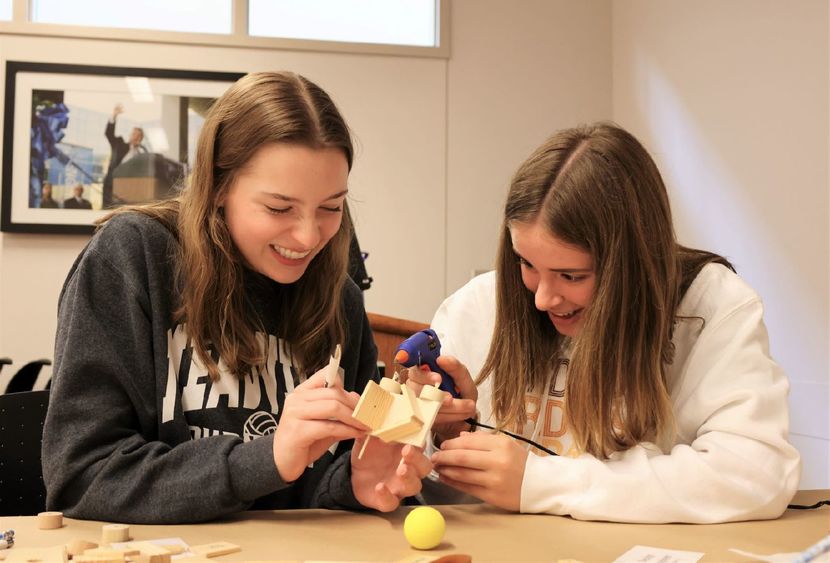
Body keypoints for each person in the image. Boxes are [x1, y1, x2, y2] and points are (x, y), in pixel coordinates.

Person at [42, 71, 431, 524]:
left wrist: (356, 483)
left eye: (331, 208)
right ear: (219, 187)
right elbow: (81, 479)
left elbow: (318, 486)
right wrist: (264, 459)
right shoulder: (133, 258)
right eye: (279, 208)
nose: (308, 238)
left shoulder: (339, 297)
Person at [411, 122, 801, 523]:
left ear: (632, 264)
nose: (543, 298)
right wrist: (446, 437)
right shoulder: (477, 305)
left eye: (572, 276)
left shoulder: (710, 307)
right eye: (527, 264)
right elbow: (429, 488)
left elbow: (755, 474)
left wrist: (541, 484)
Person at [102, 103, 146, 208]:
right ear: (130, 135)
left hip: (129, 189)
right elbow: (109, 134)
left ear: (141, 138)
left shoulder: (141, 155)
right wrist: (114, 115)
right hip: (112, 184)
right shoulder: (119, 144)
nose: (135, 136)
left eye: (138, 135)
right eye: (133, 133)